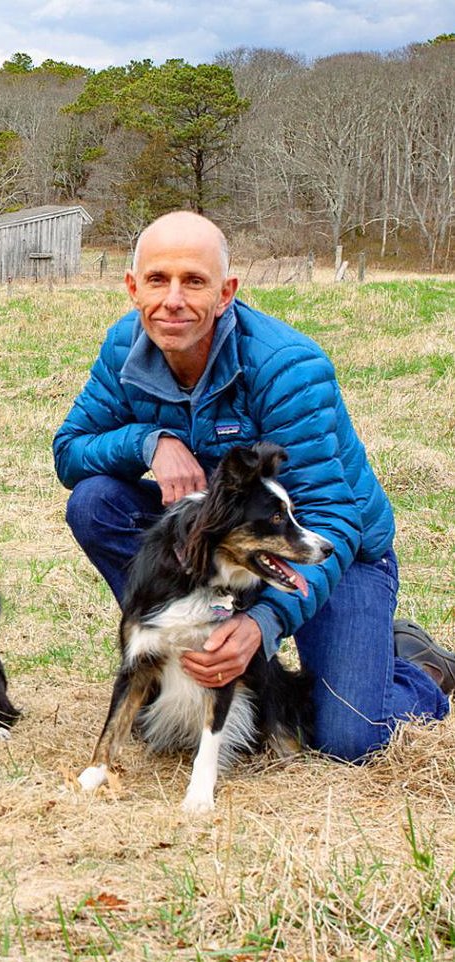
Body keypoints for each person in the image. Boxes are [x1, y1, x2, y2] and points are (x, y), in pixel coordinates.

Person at [53, 210, 453, 762]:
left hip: (330, 551)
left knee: (348, 738)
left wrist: (261, 623)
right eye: (157, 280)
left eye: (194, 281)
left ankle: (417, 666)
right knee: (96, 500)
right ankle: (175, 649)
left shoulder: (287, 365)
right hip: (221, 550)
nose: (173, 299)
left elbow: (335, 515)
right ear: (132, 287)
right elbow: (70, 450)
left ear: (226, 293)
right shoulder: (125, 346)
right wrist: (151, 442)